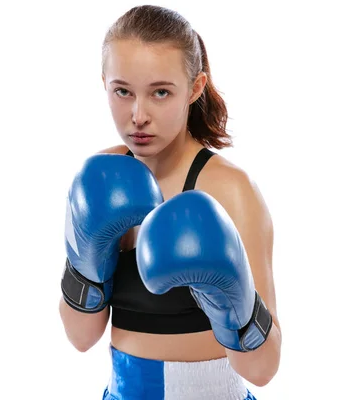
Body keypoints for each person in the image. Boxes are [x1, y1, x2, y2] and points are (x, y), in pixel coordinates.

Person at [59, 5, 282, 399]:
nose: (138, 115)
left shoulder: (230, 190)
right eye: (122, 91)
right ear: (104, 84)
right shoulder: (102, 180)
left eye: (160, 92)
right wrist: (85, 263)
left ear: (195, 88)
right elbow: (81, 337)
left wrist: (233, 305)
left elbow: (263, 369)